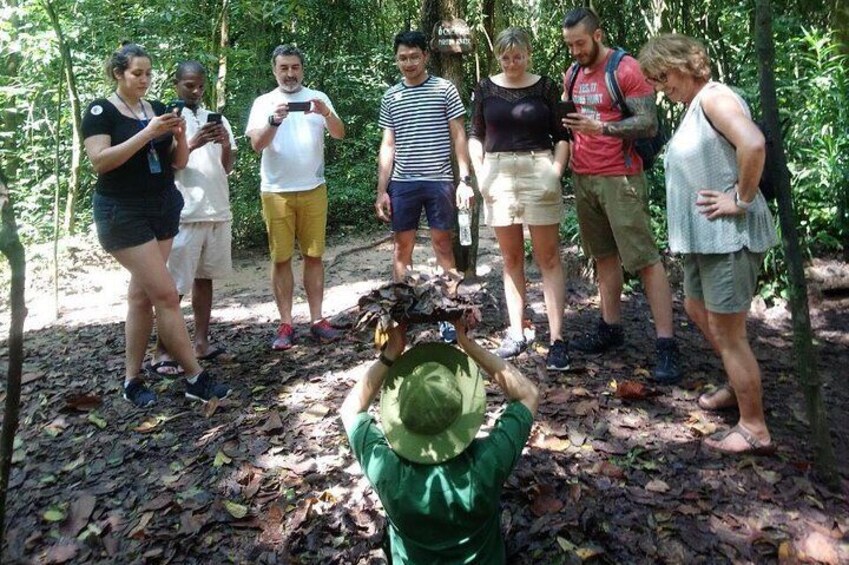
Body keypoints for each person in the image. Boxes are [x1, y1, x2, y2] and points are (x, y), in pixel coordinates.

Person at [638, 34, 778, 455]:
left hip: (727, 238)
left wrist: (740, 198)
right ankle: (738, 385)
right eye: (656, 80)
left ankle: (755, 427)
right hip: (706, 240)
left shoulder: (715, 98)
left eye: (663, 77)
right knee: (698, 309)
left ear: (683, 64)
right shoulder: (696, 106)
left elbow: (753, 144)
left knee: (729, 333)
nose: (663, 87)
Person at [81, 43, 231, 406]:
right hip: (122, 212)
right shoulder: (101, 111)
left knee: (139, 296)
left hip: (162, 208)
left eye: (148, 73)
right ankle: (195, 377)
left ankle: (131, 380)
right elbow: (100, 161)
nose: (144, 80)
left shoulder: (159, 109)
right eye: (137, 73)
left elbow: (177, 163)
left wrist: (180, 137)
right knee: (165, 295)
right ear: (118, 74)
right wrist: (147, 133)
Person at [340, 318, 539, 562]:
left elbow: (350, 410)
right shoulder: (487, 464)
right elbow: (528, 395)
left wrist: (390, 353)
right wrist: (470, 346)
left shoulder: (389, 474)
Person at [561, 7, 681, 383]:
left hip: (621, 177)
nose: (575, 51)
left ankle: (666, 344)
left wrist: (602, 128)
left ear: (597, 35)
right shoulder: (574, 73)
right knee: (603, 256)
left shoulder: (625, 69)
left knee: (644, 257)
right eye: (570, 45)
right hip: (584, 176)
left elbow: (648, 123)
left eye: (580, 43)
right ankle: (610, 327)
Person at [468, 27, 571, 370]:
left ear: (528, 53)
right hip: (497, 172)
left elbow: (562, 135)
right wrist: (480, 173)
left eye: (518, 56)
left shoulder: (544, 87)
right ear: (498, 56)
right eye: (505, 57)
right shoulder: (484, 88)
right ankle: (516, 332)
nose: (512, 63)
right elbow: (475, 135)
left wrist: (554, 173)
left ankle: (557, 339)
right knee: (510, 257)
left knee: (549, 257)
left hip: (538, 166)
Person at [374, 30, 474, 343]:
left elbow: (459, 135)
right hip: (403, 183)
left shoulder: (445, 90)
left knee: (443, 245)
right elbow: (387, 144)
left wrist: (465, 179)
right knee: (402, 248)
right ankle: (401, 315)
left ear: (425, 56)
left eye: (414, 56)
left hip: (440, 181)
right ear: (396, 59)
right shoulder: (391, 96)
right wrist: (382, 189)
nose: (409, 63)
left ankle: (448, 314)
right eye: (403, 57)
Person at [246, 45, 345, 351]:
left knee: (314, 255)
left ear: (302, 69)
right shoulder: (264, 102)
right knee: (281, 257)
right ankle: (286, 323)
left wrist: (326, 113)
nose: (290, 73)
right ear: (274, 70)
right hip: (276, 192)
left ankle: (317, 320)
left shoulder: (319, 98)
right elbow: (257, 145)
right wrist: (274, 122)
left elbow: (340, 133)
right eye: (284, 68)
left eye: (295, 67)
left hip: (314, 187)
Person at [149, 60, 237, 375]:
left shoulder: (218, 118)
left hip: (216, 208)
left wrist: (225, 143)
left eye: (200, 85)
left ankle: (201, 341)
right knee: (174, 286)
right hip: (184, 212)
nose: (196, 91)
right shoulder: (166, 120)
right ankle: (162, 351)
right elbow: (170, 164)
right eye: (189, 85)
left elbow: (227, 167)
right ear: (176, 83)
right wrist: (193, 141)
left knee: (205, 278)